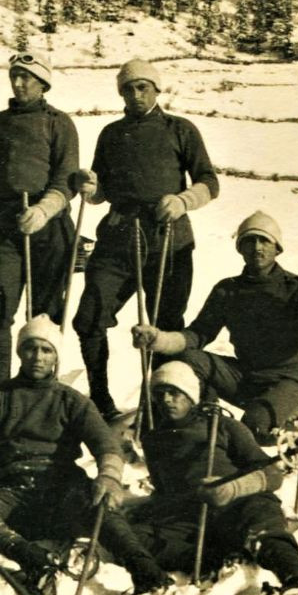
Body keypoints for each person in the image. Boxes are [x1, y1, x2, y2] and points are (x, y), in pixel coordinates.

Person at [0, 315, 158, 594]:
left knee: (101, 501)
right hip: (12, 495)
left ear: (55, 356)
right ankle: (32, 559)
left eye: (47, 350)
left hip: (63, 493)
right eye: (31, 348)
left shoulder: (73, 400)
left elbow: (106, 445)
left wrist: (109, 477)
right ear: (19, 352)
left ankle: (145, 570)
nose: (38, 357)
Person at [72, 58, 219, 420]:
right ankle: (100, 401)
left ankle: (163, 406)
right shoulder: (111, 133)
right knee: (90, 317)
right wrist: (92, 189)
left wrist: (183, 201)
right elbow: (101, 191)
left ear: (156, 89)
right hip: (118, 238)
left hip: (169, 239)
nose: (135, 95)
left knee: (165, 326)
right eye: (128, 88)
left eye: (142, 87)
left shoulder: (180, 129)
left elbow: (209, 182)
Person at [105, 361, 298, 595]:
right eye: (160, 393)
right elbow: (164, 491)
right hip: (188, 516)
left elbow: (271, 474)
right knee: (133, 538)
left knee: (261, 515)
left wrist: (233, 488)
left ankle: (296, 579)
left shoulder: (223, 426)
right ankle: (219, 561)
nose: (166, 399)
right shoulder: (154, 439)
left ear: (190, 396)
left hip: (236, 505)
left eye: (174, 392)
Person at [132, 212, 298, 445]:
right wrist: (159, 339)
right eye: (249, 240)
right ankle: (201, 430)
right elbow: (199, 334)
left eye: (264, 240)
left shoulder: (297, 288)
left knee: (253, 429)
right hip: (246, 377)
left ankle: (292, 429)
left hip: (291, 381)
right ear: (240, 248)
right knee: (189, 360)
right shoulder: (228, 290)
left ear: (277, 248)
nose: (257, 247)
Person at [0, 52, 81, 386]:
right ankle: (2, 386)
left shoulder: (58, 122)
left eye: (27, 78)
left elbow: (67, 178)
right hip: (6, 227)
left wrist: (44, 209)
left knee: (44, 314)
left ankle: (42, 386)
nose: (19, 84)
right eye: (14, 77)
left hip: (49, 228)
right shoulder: (0, 122)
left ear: (43, 83)